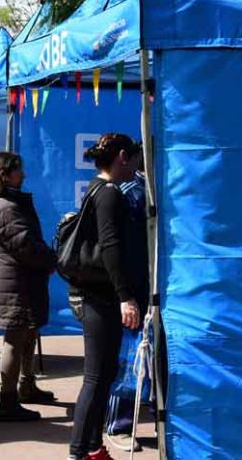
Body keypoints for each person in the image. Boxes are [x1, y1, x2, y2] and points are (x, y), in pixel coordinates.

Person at [68, 134, 142, 460]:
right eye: (136, 160)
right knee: (96, 378)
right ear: (123, 157)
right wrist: (126, 296)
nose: (138, 168)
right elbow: (111, 247)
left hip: (98, 296)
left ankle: (94, 449)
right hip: (99, 297)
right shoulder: (109, 193)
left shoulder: (97, 189)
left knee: (104, 375)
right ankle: (79, 451)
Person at [0, 152, 57, 423]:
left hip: (15, 282)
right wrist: (53, 259)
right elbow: (27, 248)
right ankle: (8, 400)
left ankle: (26, 386)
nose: (22, 175)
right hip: (15, 284)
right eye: (17, 171)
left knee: (27, 334)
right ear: (3, 175)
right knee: (15, 338)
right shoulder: (4, 208)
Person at [105, 148, 149, 452]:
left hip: (149, 284)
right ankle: (118, 424)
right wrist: (127, 294)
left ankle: (127, 419)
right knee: (129, 355)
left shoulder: (145, 189)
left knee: (142, 355)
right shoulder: (131, 192)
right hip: (136, 287)